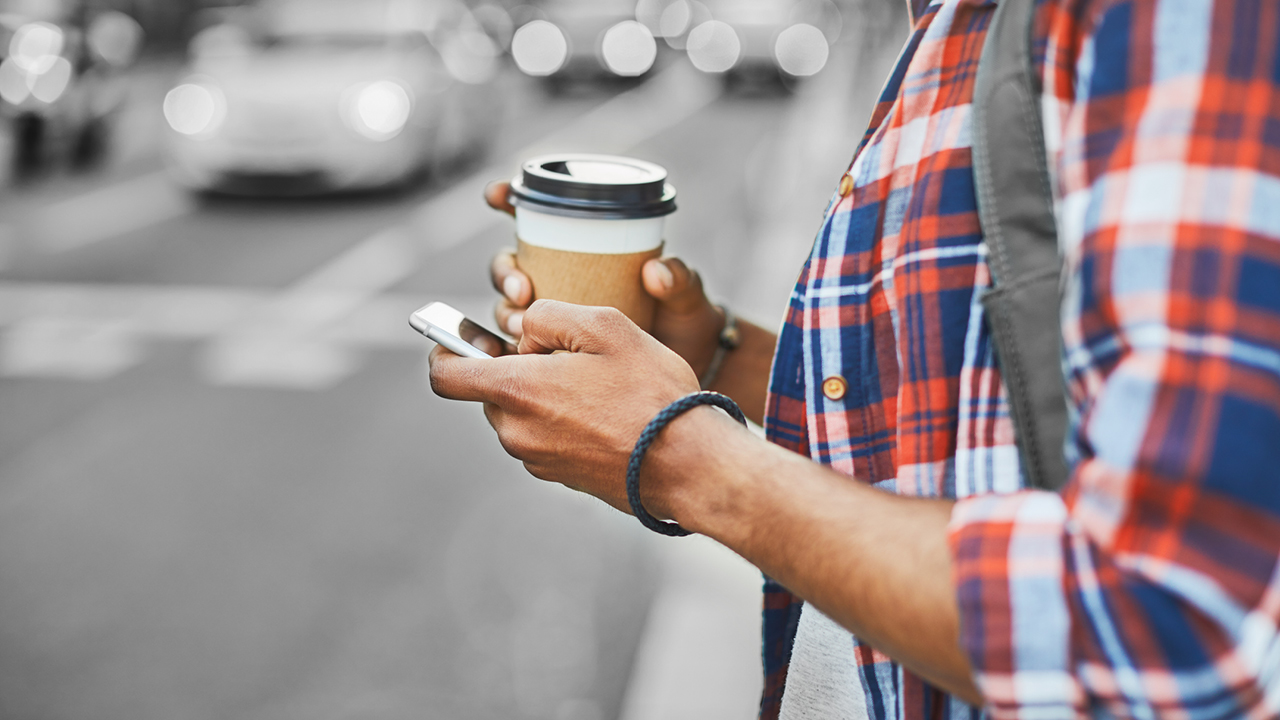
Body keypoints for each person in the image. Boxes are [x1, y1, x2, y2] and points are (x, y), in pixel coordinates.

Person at [429, 0, 1280, 716]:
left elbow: (1174, 614)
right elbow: (965, 414)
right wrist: (722, 356)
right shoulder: (949, 26)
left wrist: (685, 456)